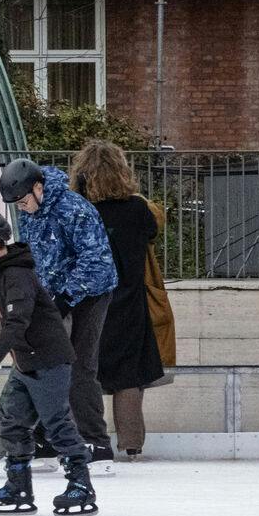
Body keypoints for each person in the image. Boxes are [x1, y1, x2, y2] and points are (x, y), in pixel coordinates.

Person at [0, 211, 98, 516]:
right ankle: (18, 487)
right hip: (26, 363)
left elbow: (17, 321)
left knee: (57, 423)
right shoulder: (3, 274)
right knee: (13, 422)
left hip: (49, 362)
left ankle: (81, 485)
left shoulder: (16, 275)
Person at [0, 157, 119, 470]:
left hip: (91, 293)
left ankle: (97, 442)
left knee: (79, 365)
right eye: (16, 205)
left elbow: (97, 262)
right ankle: (50, 440)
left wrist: (67, 297)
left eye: (24, 201)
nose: (22, 208)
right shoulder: (31, 215)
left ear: (38, 188)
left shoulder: (74, 209)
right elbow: (34, 256)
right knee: (47, 365)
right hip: (54, 296)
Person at [70, 141, 165, 463]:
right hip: (130, 303)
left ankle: (88, 440)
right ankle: (132, 444)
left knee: (86, 374)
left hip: (89, 303)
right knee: (128, 377)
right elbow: (153, 232)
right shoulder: (137, 209)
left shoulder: (79, 209)